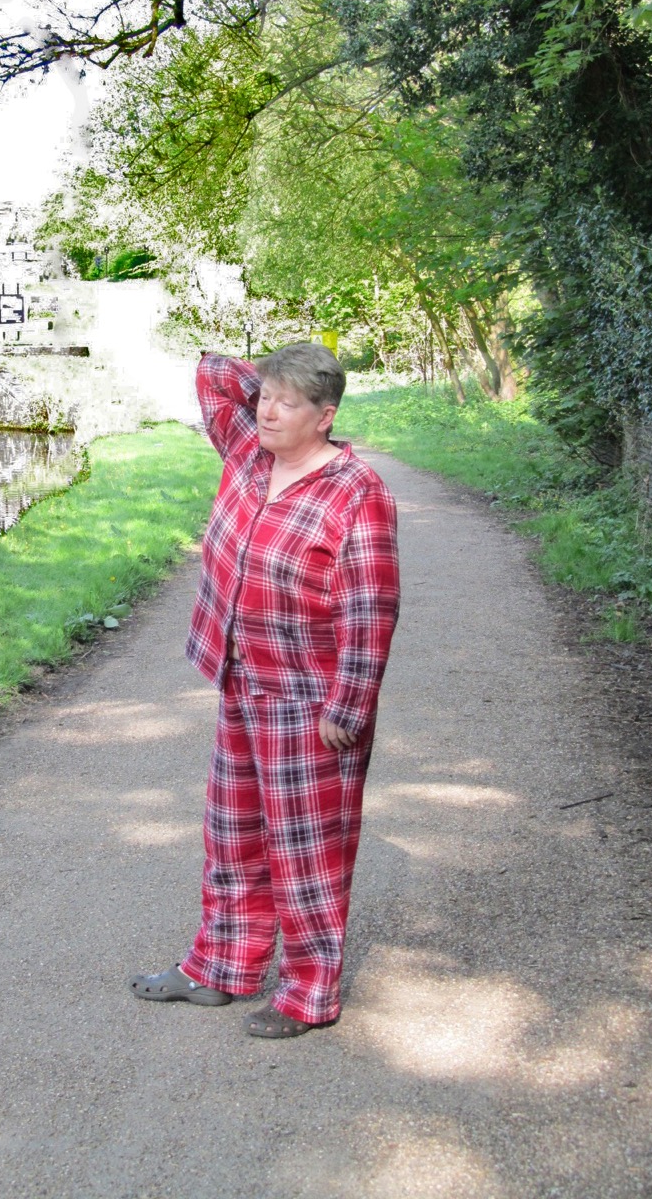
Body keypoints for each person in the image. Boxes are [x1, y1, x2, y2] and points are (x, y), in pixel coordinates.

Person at [129, 343, 400, 1038]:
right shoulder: (250, 452)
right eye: (264, 399)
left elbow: (370, 606)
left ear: (326, 416)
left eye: (287, 403)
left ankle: (309, 993)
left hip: (310, 703)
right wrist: (278, 384)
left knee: (306, 853)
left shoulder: (355, 490)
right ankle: (222, 967)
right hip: (241, 680)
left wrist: (350, 705)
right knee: (233, 837)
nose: (266, 411)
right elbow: (212, 372)